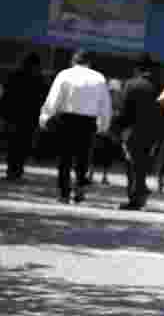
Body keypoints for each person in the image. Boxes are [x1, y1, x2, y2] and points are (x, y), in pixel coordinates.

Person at [38, 50, 112, 204]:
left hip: (67, 120)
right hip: (88, 122)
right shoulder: (99, 78)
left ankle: (64, 193)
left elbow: (54, 98)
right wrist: (104, 125)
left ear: (73, 61)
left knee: (64, 158)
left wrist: (45, 117)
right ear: (89, 63)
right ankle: (79, 191)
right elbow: (105, 105)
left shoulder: (64, 75)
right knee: (83, 158)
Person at [111, 55, 164, 210]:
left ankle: (136, 197)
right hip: (157, 134)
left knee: (133, 164)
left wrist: (116, 128)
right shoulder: (162, 86)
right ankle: (140, 193)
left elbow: (125, 111)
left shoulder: (132, 84)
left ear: (138, 69)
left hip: (135, 131)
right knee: (143, 164)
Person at [2, 53, 47, 180]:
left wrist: (4, 114)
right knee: (23, 145)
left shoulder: (14, 76)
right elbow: (42, 99)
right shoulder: (39, 79)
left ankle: (12, 170)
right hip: (29, 118)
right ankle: (17, 170)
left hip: (14, 116)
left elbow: (6, 96)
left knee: (13, 144)